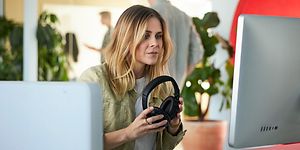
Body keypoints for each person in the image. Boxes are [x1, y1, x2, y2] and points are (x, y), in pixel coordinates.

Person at [79, 5, 185, 150]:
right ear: (126, 38)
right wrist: (128, 133)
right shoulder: (94, 80)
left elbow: (164, 146)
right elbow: (79, 142)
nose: (155, 43)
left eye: (158, 36)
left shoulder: (164, 85)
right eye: (145, 36)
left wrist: (173, 126)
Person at [148, 0, 204, 85]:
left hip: (152, 86)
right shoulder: (184, 16)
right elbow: (198, 51)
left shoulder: (149, 15)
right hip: (176, 86)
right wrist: (182, 73)